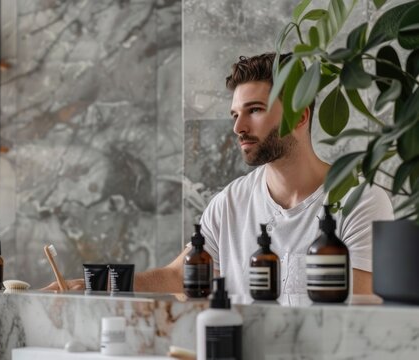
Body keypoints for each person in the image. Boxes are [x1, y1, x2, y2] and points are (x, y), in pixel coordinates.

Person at [45, 53, 394, 296]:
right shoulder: (229, 204)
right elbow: (178, 275)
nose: (238, 127)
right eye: (234, 114)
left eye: (254, 110)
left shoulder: (359, 201)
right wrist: (99, 283)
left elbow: (362, 311)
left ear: (300, 117)